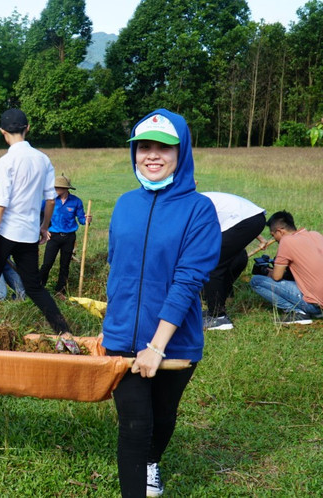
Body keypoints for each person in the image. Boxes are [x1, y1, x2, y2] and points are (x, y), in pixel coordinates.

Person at [102, 109, 220, 497]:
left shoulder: (198, 210)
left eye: (163, 148)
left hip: (175, 342)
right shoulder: (123, 204)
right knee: (134, 423)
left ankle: (153, 462)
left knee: (163, 417)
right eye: (144, 147)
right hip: (122, 337)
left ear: (181, 152)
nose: (152, 155)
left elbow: (188, 281)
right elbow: (116, 266)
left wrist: (156, 346)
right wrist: (114, 320)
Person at [0, 108, 73, 338]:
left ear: (2, 132)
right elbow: (50, 199)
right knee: (34, 288)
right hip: (29, 234)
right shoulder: (43, 159)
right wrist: (44, 227)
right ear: (27, 128)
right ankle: (64, 331)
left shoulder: (7, 160)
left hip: (6, 232)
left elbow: (1, 202)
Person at [200, 192, 267, 330]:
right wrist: (260, 238)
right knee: (228, 257)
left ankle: (218, 317)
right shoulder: (193, 201)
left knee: (213, 264)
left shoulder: (187, 207)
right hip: (252, 218)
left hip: (247, 220)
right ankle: (218, 304)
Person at [249, 211, 323, 325]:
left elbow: (277, 277)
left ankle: (298, 313)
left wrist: (266, 271)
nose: (275, 239)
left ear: (279, 231)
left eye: (273, 235)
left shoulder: (286, 241)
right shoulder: (315, 235)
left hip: (316, 306)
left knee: (256, 281)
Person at [38, 174, 91, 297]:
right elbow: (37, 214)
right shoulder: (48, 201)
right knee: (47, 264)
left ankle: (60, 291)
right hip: (53, 236)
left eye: (58, 188)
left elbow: (81, 219)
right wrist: (43, 229)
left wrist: (86, 219)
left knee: (65, 265)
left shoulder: (76, 201)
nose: (55, 190)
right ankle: (39, 288)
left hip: (69, 237)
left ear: (66, 189)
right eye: (54, 187)